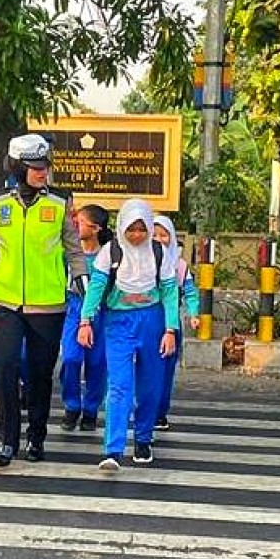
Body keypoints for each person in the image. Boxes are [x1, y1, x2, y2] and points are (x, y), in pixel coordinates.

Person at [0, 134, 88, 467]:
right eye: (35, 167)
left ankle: (36, 437)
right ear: (18, 167)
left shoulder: (60, 203)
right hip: (5, 302)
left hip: (48, 305)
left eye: (45, 166)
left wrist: (81, 279)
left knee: (39, 374)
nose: (43, 172)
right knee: (5, 367)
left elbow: (73, 248)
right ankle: (7, 441)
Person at [77, 199, 179, 470]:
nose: (136, 235)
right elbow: (96, 287)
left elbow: (170, 293)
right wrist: (85, 322)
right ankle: (113, 449)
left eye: (141, 229)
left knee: (150, 384)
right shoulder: (110, 252)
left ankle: (144, 437)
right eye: (131, 229)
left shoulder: (159, 253)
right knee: (119, 385)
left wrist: (171, 330)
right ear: (122, 227)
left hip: (152, 321)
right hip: (117, 323)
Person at [59, 204, 112, 431]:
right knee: (71, 358)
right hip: (73, 306)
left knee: (97, 362)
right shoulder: (68, 253)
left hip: (102, 309)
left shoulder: (108, 254)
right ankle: (71, 405)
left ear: (96, 228)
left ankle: (91, 409)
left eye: (79, 222)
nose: (74, 226)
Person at [152, 215, 200, 430]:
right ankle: (144, 410)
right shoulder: (137, 263)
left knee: (165, 372)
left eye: (164, 235)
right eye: (154, 235)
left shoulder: (179, 266)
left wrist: (193, 313)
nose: (159, 239)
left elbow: (189, 292)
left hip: (170, 326)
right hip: (146, 324)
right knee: (144, 370)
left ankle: (160, 412)